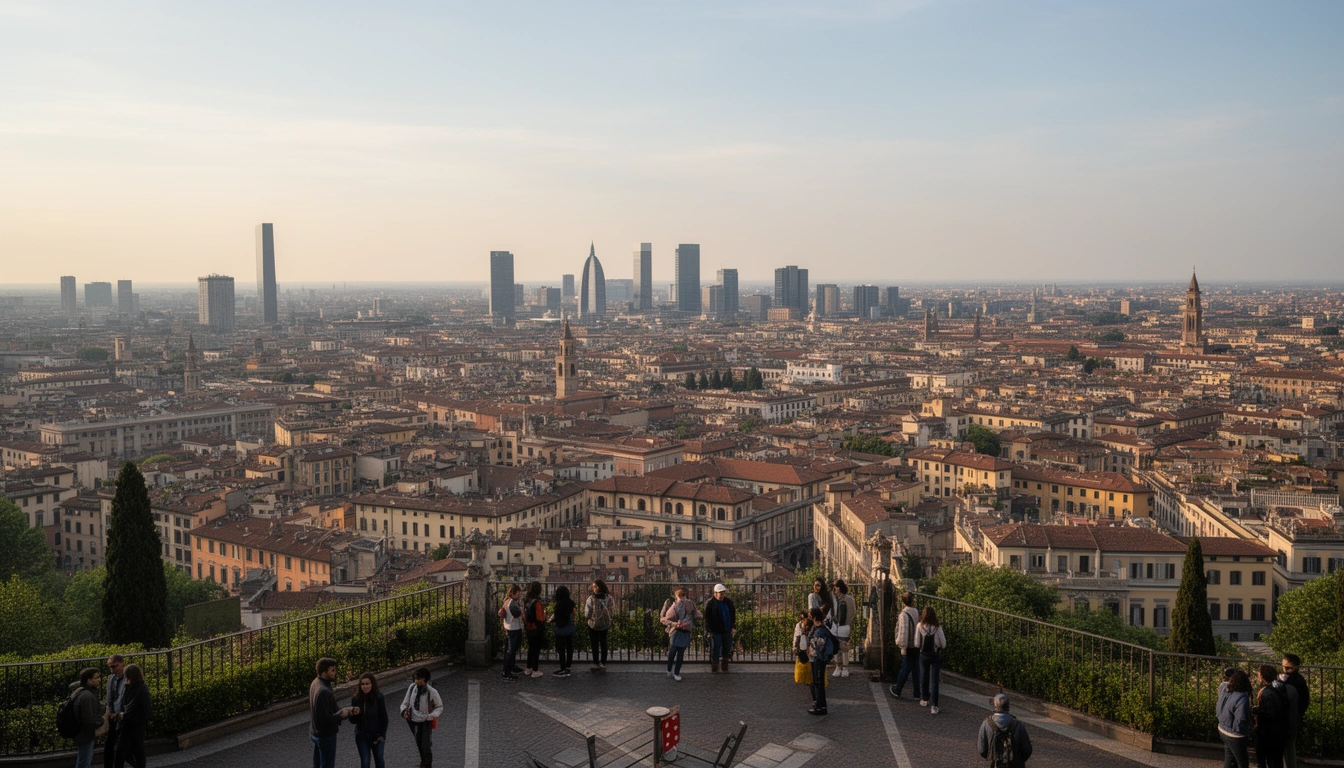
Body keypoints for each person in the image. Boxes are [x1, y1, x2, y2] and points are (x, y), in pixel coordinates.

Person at [310, 657, 353, 768]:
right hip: (325, 735)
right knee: (327, 764)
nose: (335, 672)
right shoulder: (323, 691)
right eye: (332, 670)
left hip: (316, 732)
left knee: (318, 763)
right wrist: (340, 716)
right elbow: (324, 718)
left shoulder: (316, 683)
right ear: (324, 672)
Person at [399, 667, 443, 768]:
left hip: (425, 721)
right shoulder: (411, 688)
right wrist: (403, 712)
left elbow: (439, 707)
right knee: (419, 743)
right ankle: (423, 762)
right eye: (415, 679)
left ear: (424, 679)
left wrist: (431, 716)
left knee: (425, 746)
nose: (416, 681)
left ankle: (427, 764)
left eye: (419, 679)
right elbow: (405, 703)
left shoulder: (432, 692)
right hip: (413, 721)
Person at [978, 694, 1032, 767]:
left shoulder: (986, 723)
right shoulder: (1018, 725)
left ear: (994, 705)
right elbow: (1027, 749)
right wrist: (1018, 760)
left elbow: (982, 750)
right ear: (1008, 706)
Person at [112, 663, 150, 768]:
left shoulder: (142, 690)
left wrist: (124, 715)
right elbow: (126, 703)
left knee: (137, 751)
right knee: (121, 751)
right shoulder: (130, 686)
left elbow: (137, 709)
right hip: (127, 725)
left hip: (136, 725)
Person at [661, 587, 702, 681]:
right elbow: (664, 618)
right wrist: (674, 624)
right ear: (676, 597)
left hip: (683, 630)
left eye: (683, 596)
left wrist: (697, 617)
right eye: (680, 597)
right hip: (676, 630)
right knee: (673, 652)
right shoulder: (672, 605)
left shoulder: (690, 603)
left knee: (680, 653)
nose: (682, 599)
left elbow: (696, 613)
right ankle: (670, 669)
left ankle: (676, 672)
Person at [350, 672, 389, 768]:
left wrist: (380, 735)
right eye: (362, 684)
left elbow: (384, 718)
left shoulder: (378, 697)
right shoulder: (356, 699)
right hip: (362, 736)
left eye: (367, 684)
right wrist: (353, 714)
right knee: (365, 762)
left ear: (372, 684)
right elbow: (353, 721)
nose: (365, 686)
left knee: (379, 761)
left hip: (377, 736)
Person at [1252, 664, 1287, 768]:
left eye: (1258, 675)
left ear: (1263, 676)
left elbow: (1269, 713)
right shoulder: (1279, 687)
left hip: (1267, 732)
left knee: (1264, 760)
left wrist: (1257, 711)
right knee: (1276, 760)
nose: (1258, 677)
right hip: (1279, 730)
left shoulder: (1267, 693)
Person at [889, 593, 922, 700]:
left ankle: (898, 689)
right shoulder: (916, 611)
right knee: (915, 670)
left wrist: (901, 645)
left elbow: (903, 631)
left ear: (903, 602)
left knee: (905, 669)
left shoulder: (903, 614)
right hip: (916, 644)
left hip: (907, 646)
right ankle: (917, 693)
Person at [69, 667, 104, 768]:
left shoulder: (80, 692)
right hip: (85, 733)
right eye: (96, 677)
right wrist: (102, 721)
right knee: (84, 761)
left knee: (83, 759)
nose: (99, 679)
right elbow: (89, 719)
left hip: (80, 731)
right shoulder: (87, 696)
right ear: (89, 680)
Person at [1217, 669, 1252, 768]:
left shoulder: (1224, 689)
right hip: (1235, 734)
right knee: (1242, 763)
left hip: (1222, 728)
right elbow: (1240, 719)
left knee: (1230, 759)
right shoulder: (1242, 698)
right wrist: (1244, 732)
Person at [915, 606, 946, 714]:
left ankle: (924, 699)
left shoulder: (920, 626)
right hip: (935, 655)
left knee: (924, 676)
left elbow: (917, 643)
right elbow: (943, 644)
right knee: (934, 680)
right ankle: (934, 705)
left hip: (923, 655)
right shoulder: (937, 627)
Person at [806, 606, 836, 716]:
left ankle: (821, 707)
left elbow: (819, 646)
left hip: (818, 659)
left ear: (814, 616)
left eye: (810, 615)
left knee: (818, 683)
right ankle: (820, 704)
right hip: (816, 658)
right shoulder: (817, 628)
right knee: (818, 683)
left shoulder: (820, 631)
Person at [1279, 655, 1308, 768]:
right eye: (1283, 667)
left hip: (1289, 718)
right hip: (1293, 717)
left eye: (1287, 668)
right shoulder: (1298, 680)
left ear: (1296, 667)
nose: (1284, 670)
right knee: (1289, 745)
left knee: (1289, 746)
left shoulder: (1293, 682)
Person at [703, 584, 737, 674]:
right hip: (716, 630)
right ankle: (715, 666)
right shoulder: (710, 603)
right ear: (715, 593)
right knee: (716, 648)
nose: (722, 595)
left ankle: (725, 666)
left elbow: (733, 615)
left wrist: (733, 627)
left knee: (727, 648)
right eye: (720, 593)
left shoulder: (728, 602)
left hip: (727, 629)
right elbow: (707, 618)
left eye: (723, 593)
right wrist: (709, 630)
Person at [103, 654, 127, 768]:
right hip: (113, 714)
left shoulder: (128, 678)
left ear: (122, 664)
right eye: (110, 667)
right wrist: (109, 711)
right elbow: (109, 697)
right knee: (109, 744)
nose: (112, 669)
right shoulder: (111, 678)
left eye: (115, 666)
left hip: (122, 714)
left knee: (122, 746)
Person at [585, 579, 613, 671]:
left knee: (594, 644)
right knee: (603, 643)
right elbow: (612, 610)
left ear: (598, 587)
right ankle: (603, 663)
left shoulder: (591, 598)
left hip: (593, 624)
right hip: (604, 623)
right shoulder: (608, 598)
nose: (593, 588)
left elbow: (587, 613)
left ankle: (595, 663)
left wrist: (589, 618)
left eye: (594, 586)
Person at [829, 580, 856, 678]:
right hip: (835, 625)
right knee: (836, 647)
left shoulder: (848, 599)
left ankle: (844, 667)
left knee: (844, 647)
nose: (834, 589)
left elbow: (852, 612)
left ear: (839, 587)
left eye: (835, 587)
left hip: (844, 626)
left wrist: (847, 622)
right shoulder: (834, 598)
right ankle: (838, 666)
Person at [498, 584, 524, 681]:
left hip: (508, 627)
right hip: (514, 628)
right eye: (518, 594)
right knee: (511, 650)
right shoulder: (512, 603)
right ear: (513, 593)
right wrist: (521, 608)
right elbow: (517, 613)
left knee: (509, 649)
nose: (519, 596)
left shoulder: (507, 601)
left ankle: (511, 667)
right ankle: (507, 671)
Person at [522, 581, 548, 679]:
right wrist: (544, 615)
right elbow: (540, 618)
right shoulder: (537, 602)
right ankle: (535, 670)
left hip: (528, 627)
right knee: (536, 649)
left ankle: (528, 668)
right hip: (536, 628)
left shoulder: (526, 600)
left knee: (530, 648)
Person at [551, 585, 576, 677]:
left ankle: (562, 668)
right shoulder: (571, 603)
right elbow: (574, 614)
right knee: (569, 648)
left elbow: (556, 617)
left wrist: (551, 621)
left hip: (560, 629)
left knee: (561, 649)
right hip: (569, 628)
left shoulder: (558, 605)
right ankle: (568, 667)